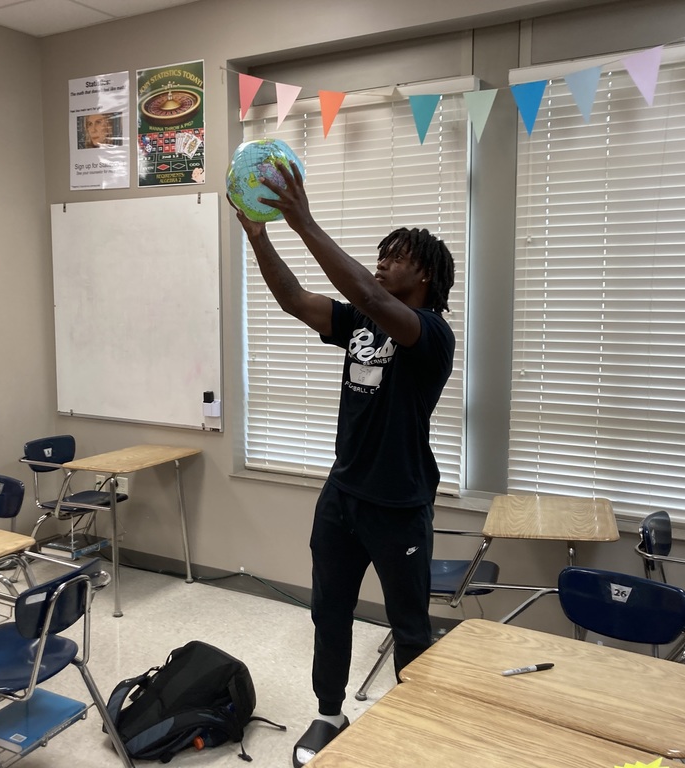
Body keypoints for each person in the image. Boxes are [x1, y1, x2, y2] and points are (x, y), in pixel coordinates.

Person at [230, 166, 455, 767]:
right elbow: (293, 300)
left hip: (399, 505)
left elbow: (371, 296)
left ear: (424, 275)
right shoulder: (361, 323)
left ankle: (414, 732)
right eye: (381, 254)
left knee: (409, 627)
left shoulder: (432, 335)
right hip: (343, 497)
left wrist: (303, 221)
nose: (382, 263)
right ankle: (330, 714)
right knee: (329, 612)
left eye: (396, 257)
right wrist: (261, 237)